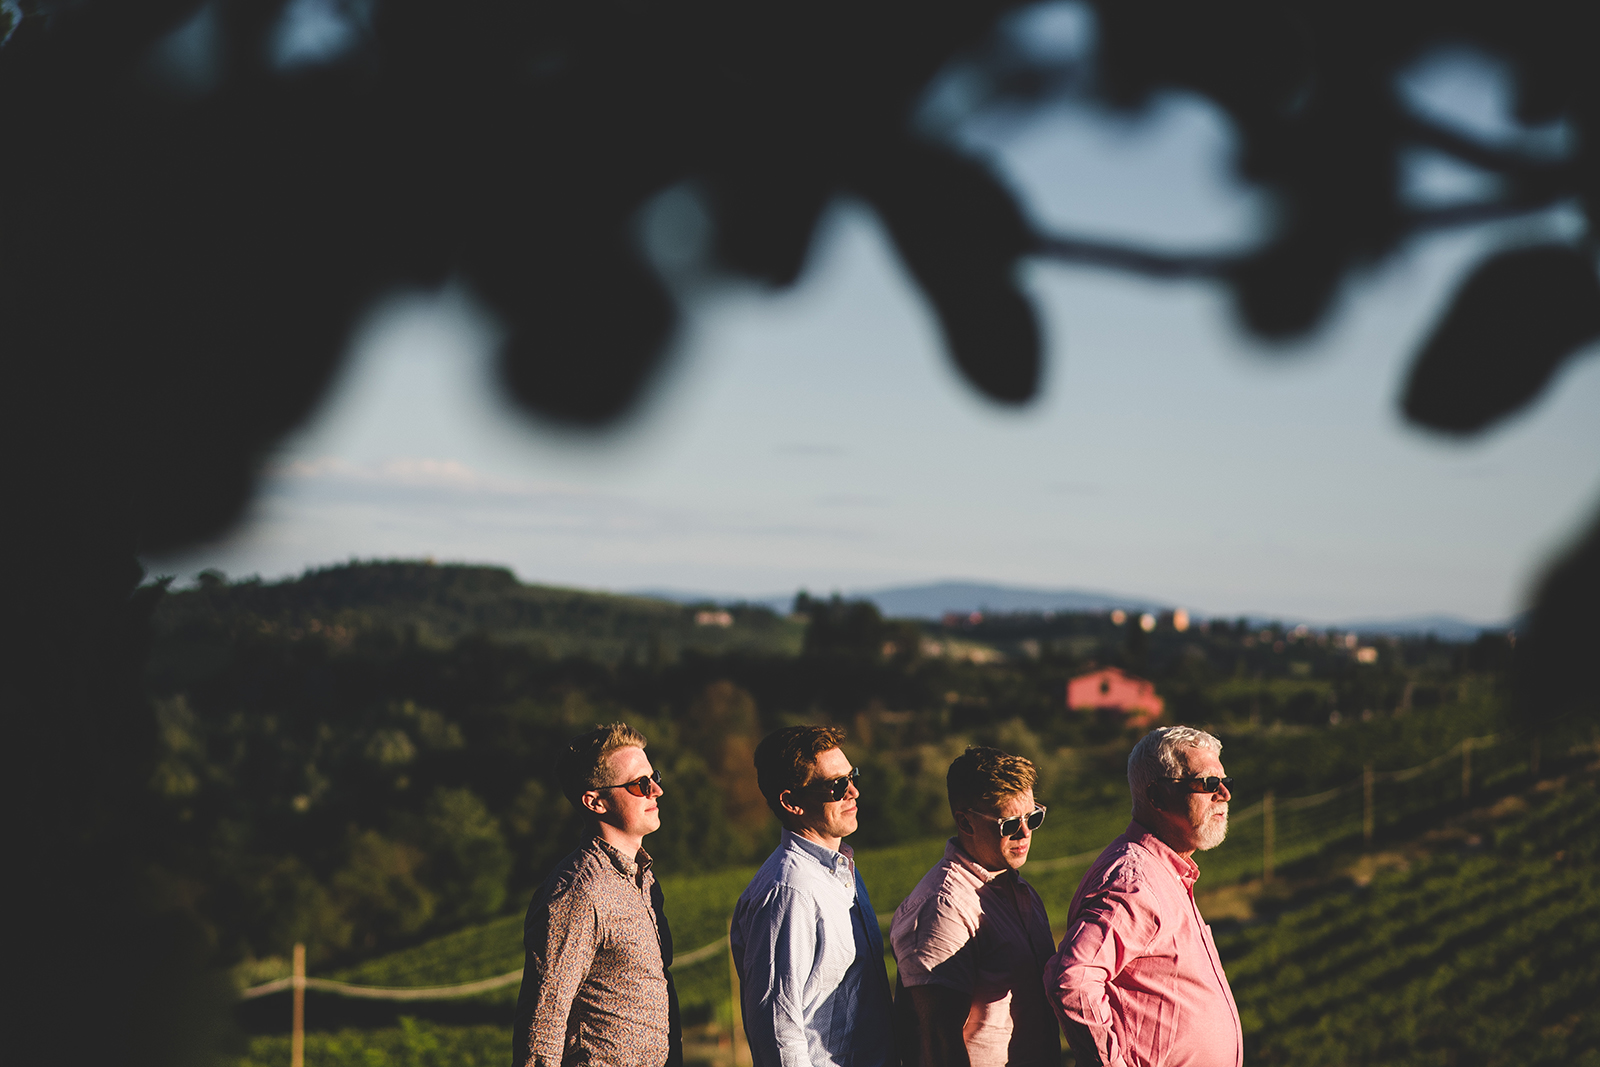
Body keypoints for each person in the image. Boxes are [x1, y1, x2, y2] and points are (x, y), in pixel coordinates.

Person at [1045, 726, 1243, 1067]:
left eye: (1225, 782)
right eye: (1208, 783)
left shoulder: (1165, 872)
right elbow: (1073, 979)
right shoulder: (1132, 881)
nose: (1224, 793)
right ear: (1158, 797)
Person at [512, 723, 682, 1067]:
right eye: (640, 784)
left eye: (655, 778)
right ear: (596, 801)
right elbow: (545, 1018)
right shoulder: (578, 890)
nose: (656, 791)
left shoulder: (646, 881)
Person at [731, 725, 895, 1067]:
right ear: (791, 802)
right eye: (836, 786)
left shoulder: (842, 869)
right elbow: (779, 1031)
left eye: (852, 777)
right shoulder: (789, 891)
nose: (854, 792)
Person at [892, 747, 1059, 1067]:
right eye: (1009, 824)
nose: (1025, 833)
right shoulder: (942, 908)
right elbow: (938, 1040)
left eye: (1033, 818)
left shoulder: (1020, 890)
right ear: (965, 822)